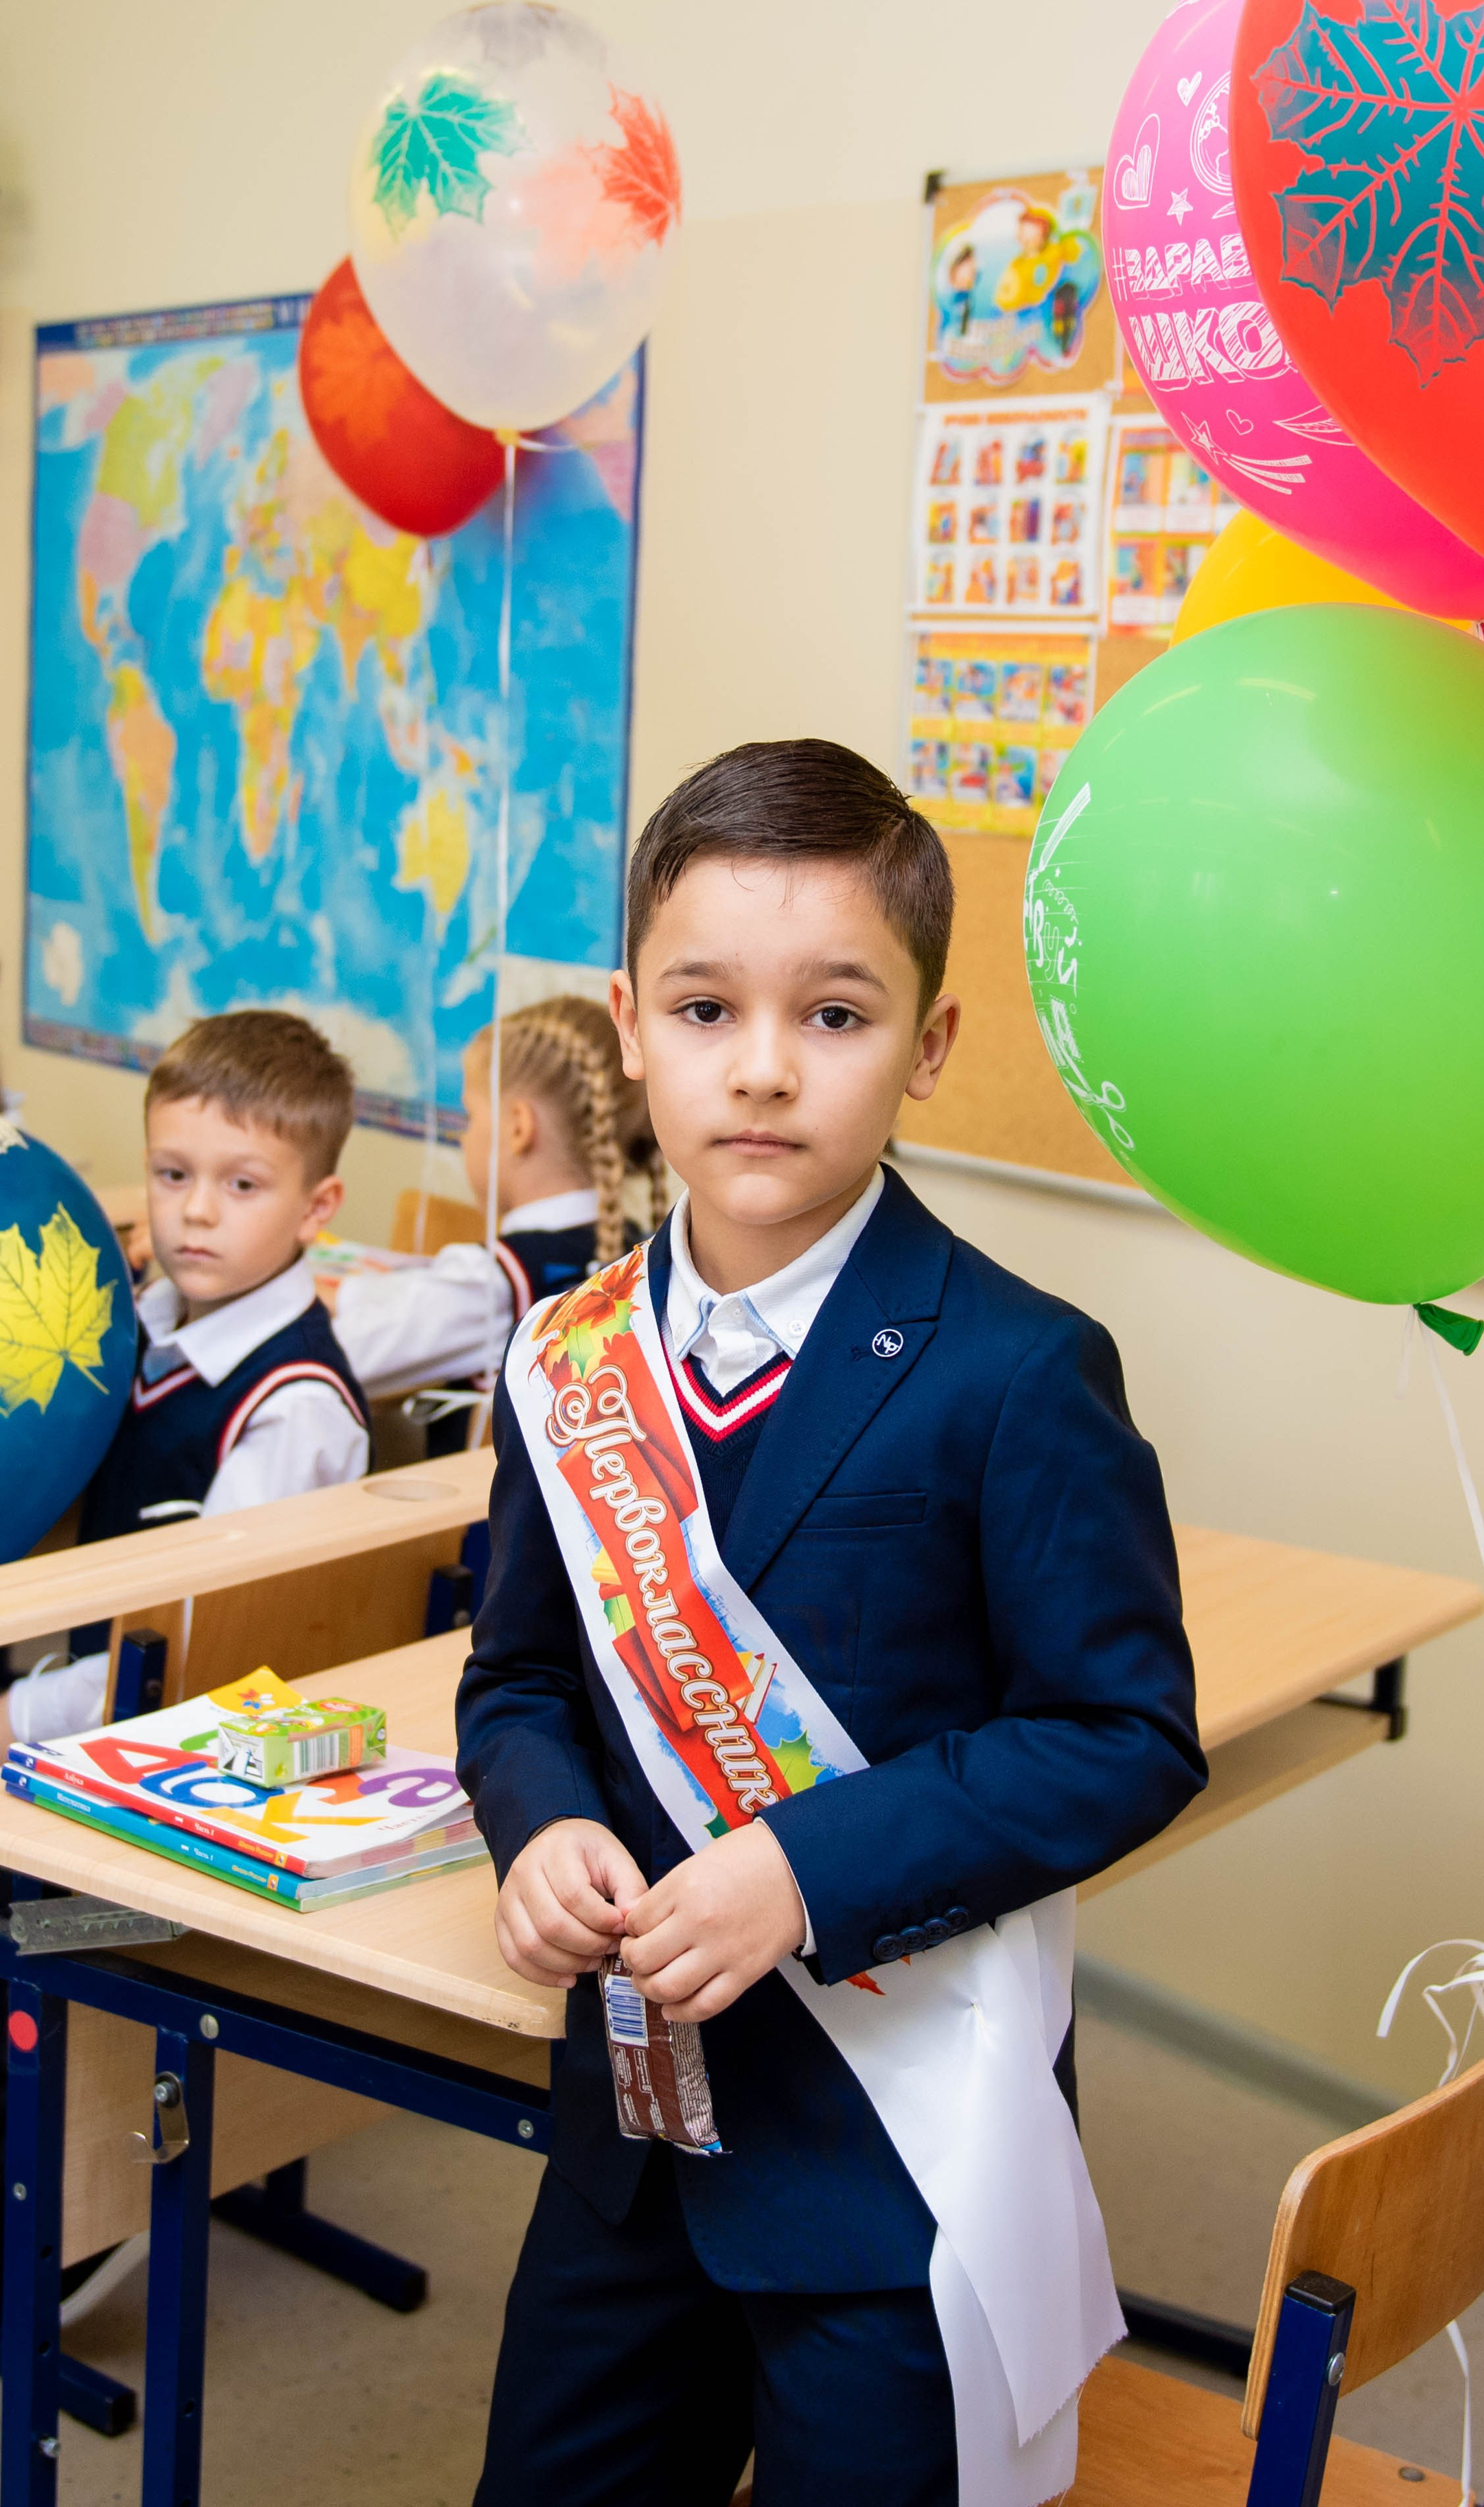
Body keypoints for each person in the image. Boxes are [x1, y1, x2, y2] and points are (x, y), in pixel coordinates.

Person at [457, 739, 1205, 2507]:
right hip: (634, 2146)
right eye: (707, 1009)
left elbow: (1118, 1732)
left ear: (926, 1046)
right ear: (630, 1022)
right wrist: (542, 1811)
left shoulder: (1019, 1366)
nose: (765, 1068)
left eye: (837, 1013)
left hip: (892, 2162)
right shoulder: (567, 1360)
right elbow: (516, 1674)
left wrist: (803, 1867)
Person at [7, 1010, 369, 1748]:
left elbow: (208, 1649)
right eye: (172, 1175)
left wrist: (17, 1713)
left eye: (242, 1184)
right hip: (72, 1695)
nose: (196, 1211)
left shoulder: (295, 1409)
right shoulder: (131, 1321)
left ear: (316, 1208)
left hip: (162, 1749)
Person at [330, 995, 664, 1450]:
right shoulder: (642, 1251)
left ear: (517, 1128)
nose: (465, 1136)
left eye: (471, 1116)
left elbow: (335, 1354)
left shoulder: (496, 1282)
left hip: (485, 1522)